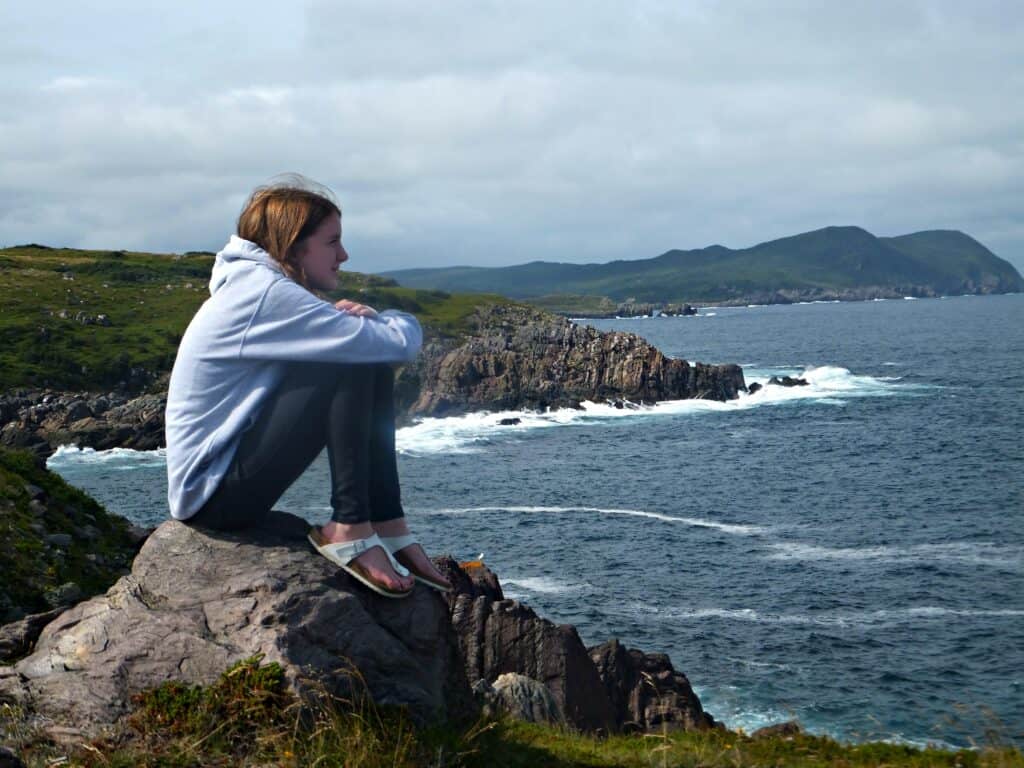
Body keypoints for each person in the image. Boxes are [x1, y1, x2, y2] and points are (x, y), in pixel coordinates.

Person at [164, 176, 450, 598]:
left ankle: (387, 523)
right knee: (349, 358)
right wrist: (391, 319)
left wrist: (364, 324)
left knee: (358, 354)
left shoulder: (258, 287)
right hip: (213, 496)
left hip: (224, 480)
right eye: (332, 242)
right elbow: (399, 344)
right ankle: (349, 527)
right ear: (295, 244)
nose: (343, 255)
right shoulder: (263, 294)